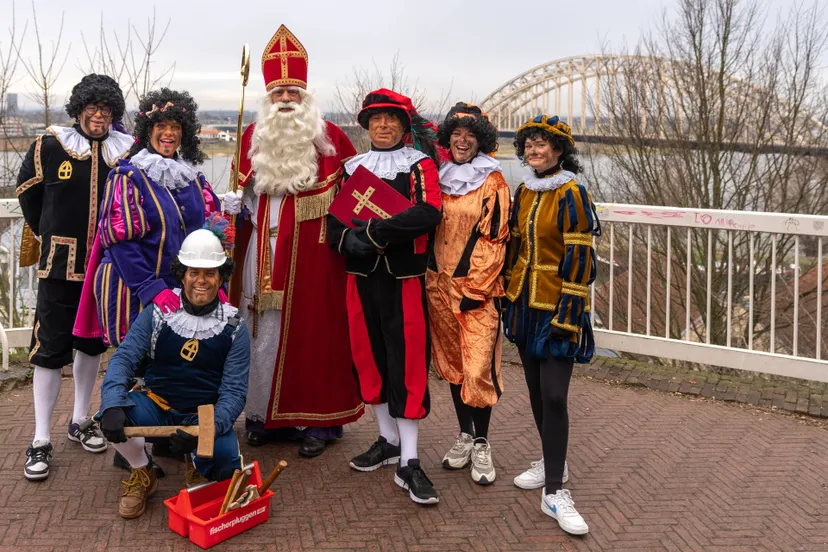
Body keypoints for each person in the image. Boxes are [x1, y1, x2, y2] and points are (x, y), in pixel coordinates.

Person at [229, 24, 363, 457]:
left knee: (313, 333)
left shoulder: (331, 139)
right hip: (260, 253)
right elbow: (239, 200)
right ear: (267, 98)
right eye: (278, 93)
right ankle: (262, 416)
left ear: (305, 96)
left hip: (313, 257)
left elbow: (357, 201)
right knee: (258, 331)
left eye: (292, 92)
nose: (285, 99)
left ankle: (315, 421)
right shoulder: (252, 137)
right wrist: (231, 203)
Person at [327, 89, 442, 505]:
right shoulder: (351, 168)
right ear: (366, 125)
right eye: (376, 119)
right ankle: (387, 440)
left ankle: (410, 460)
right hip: (360, 279)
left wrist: (374, 233)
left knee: (406, 362)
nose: (383, 126)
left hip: (403, 278)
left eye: (391, 119)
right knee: (369, 358)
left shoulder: (419, 165)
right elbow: (335, 226)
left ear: (403, 126)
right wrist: (349, 241)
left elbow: (428, 211)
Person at [16, 74, 131, 481]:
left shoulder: (125, 151)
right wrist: (48, 233)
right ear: (79, 109)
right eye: (93, 108)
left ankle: (81, 419)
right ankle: (40, 438)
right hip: (59, 266)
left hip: (104, 268)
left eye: (106, 109)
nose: (99, 115)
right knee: (49, 350)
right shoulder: (49, 146)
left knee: (92, 343)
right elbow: (28, 194)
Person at [98, 221, 250, 519]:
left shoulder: (235, 326)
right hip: (157, 405)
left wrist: (205, 430)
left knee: (225, 461)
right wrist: (112, 404)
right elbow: (124, 358)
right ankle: (143, 471)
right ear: (183, 274)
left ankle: (198, 463)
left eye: (210, 273)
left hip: (203, 415)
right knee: (110, 416)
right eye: (194, 272)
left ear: (221, 277)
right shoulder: (157, 313)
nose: (201, 281)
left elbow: (234, 392)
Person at [503, 115, 600, 535]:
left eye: (541, 144)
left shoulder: (572, 192)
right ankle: (550, 461)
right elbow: (514, 246)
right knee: (536, 392)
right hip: (524, 304)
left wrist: (569, 314)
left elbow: (580, 256)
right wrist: (505, 294)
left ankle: (555, 493)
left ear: (559, 151)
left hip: (558, 306)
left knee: (555, 395)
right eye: (529, 144)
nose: (534, 150)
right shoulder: (525, 190)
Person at [73, 88, 228, 350]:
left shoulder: (194, 179)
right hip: (138, 292)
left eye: (175, 127)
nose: (169, 133)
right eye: (161, 126)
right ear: (148, 130)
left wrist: (216, 277)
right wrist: (151, 288)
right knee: (138, 364)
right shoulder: (128, 177)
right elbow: (120, 242)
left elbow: (210, 233)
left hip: (188, 293)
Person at [427, 103, 510, 486]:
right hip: (437, 288)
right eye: (457, 134)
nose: (462, 141)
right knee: (455, 367)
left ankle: (481, 442)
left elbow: (494, 238)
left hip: (476, 293)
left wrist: (476, 288)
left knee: (478, 369)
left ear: (481, 140)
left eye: (470, 135)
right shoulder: (438, 177)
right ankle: (464, 434)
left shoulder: (493, 181)